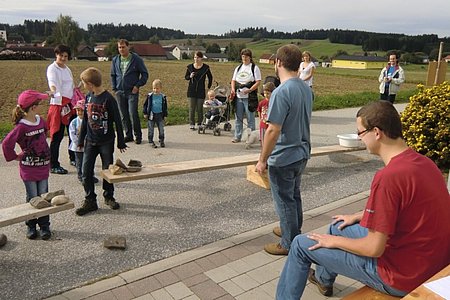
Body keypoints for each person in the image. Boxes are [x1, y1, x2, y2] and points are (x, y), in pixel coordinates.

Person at [276, 101, 450, 299]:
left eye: (360, 133)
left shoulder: (389, 177)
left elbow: (374, 248)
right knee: (338, 225)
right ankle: (324, 281)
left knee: (300, 244)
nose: (360, 139)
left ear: (376, 132)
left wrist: (334, 242)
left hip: (402, 276)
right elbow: (410, 208)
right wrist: (359, 216)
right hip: (431, 261)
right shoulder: (424, 163)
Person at [255, 45, 313, 255]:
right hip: (302, 152)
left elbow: (273, 130)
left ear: (278, 62)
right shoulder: (305, 88)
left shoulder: (281, 92)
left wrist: (262, 159)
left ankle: (288, 243)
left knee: (284, 200)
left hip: (284, 157)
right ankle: (291, 229)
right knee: (294, 195)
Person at [75, 67, 127, 216]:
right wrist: (80, 139)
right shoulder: (88, 97)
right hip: (90, 141)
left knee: (107, 172)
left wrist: (121, 142)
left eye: (84, 82)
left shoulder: (109, 99)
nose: (83, 85)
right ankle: (90, 200)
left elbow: (118, 121)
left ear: (90, 83)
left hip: (106, 141)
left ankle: (108, 196)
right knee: (86, 172)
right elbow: (85, 119)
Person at [2, 90, 52, 240]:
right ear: (32, 107)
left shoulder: (40, 121)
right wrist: (15, 157)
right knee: (32, 197)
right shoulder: (21, 127)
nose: (41, 106)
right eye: (39, 104)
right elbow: (6, 144)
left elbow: (46, 132)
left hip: (43, 167)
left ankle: (44, 226)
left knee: (43, 197)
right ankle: (31, 225)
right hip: (29, 170)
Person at [111, 39, 149, 144]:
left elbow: (145, 74)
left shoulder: (136, 59)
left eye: (123, 47)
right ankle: (128, 135)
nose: (121, 49)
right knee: (123, 115)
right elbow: (113, 75)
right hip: (120, 91)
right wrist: (114, 88)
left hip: (132, 91)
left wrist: (137, 85)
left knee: (133, 113)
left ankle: (138, 136)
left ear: (128, 47)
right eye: (119, 47)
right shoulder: (115, 60)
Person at [46, 44, 76, 174]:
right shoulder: (52, 68)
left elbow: (71, 85)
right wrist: (53, 90)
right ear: (56, 55)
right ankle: (53, 164)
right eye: (61, 55)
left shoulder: (67, 69)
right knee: (57, 136)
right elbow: (52, 82)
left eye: (65, 56)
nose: (63, 58)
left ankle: (73, 157)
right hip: (58, 104)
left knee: (73, 133)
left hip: (69, 105)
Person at [230, 48, 262, 143]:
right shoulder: (238, 68)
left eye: (246, 56)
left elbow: (258, 81)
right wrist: (233, 89)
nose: (244, 58)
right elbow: (233, 80)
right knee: (238, 118)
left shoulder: (254, 68)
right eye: (243, 56)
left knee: (250, 119)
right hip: (239, 97)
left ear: (250, 57)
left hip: (249, 98)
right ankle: (237, 136)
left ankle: (251, 138)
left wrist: (250, 90)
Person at [68, 99, 99, 184]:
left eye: (81, 110)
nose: (79, 112)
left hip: (88, 145)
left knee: (89, 161)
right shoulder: (74, 122)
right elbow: (72, 134)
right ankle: (81, 176)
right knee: (80, 162)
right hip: (78, 147)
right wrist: (78, 143)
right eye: (77, 110)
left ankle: (90, 176)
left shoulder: (89, 121)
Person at [185, 51, 213, 130]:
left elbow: (210, 77)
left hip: (201, 90)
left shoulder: (206, 67)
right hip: (191, 90)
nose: (196, 59)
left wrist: (208, 86)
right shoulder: (190, 67)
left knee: (200, 108)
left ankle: (200, 123)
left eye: (197, 57)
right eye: (195, 57)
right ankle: (192, 123)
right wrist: (190, 76)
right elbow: (186, 77)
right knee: (192, 108)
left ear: (201, 58)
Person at [143, 79, 168, 149]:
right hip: (151, 115)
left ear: (161, 88)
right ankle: (150, 140)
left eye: (157, 88)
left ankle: (161, 140)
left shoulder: (163, 97)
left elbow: (165, 107)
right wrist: (145, 112)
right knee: (151, 129)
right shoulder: (150, 96)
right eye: (154, 88)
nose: (155, 90)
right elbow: (145, 105)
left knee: (161, 129)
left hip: (160, 115)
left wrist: (165, 115)